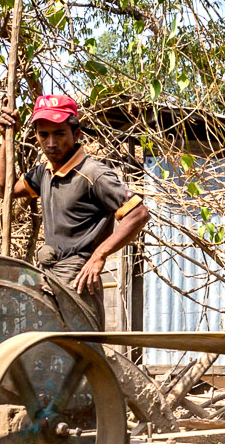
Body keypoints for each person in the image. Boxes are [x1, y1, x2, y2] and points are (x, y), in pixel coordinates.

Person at [9, 94, 150, 328]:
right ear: (36, 136)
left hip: (78, 282)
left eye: (59, 134)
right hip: (49, 277)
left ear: (76, 134)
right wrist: (7, 139)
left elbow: (139, 213)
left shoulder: (94, 174)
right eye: (44, 135)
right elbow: (8, 190)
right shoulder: (45, 171)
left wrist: (99, 255)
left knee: (82, 354)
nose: (51, 143)